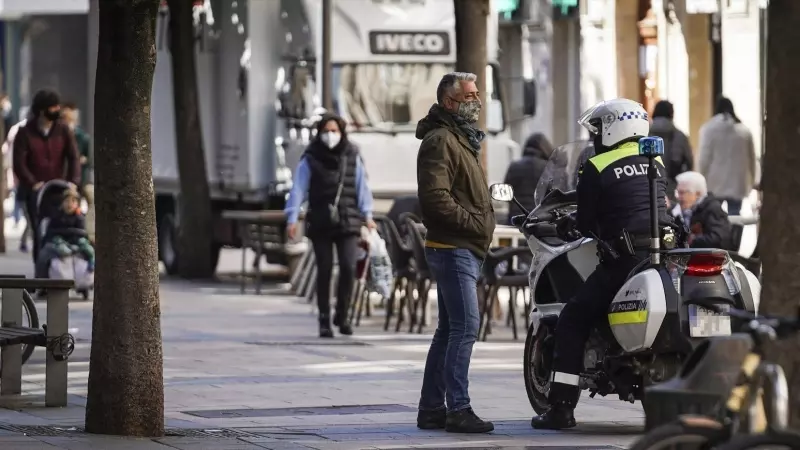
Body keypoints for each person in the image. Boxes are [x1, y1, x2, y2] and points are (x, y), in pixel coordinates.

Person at [530, 98, 669, 430]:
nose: (595, 137)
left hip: (626, 259)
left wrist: (569, 224)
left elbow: (588, 221)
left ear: (612, 127)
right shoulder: (656, 160)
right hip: (665, 254)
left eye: (597, 129)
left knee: (573, 317)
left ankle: (561, 409)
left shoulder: (598, 164)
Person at [415, 72, 496, 434]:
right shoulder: (441, 140)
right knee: (465, 327)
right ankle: (457, 408)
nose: (476, 102)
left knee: (448, 330)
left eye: (478, 94)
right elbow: (435, 199)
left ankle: (431, 408)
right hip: (453, 247)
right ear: (449, 102)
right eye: (469, 96)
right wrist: (474, 224)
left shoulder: (461, 138)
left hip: (462, 246)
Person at [284, 113, 375, 338]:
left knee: (348, 267)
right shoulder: (311, 157)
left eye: (334, 131)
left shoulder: (352, 155)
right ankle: (324, 319)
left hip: (348, 219)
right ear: (319, 133)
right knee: (324, 269)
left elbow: (362, 186)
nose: (330, 135)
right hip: (321, 221)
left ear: (342, 132)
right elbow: (298, 188)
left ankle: (342, 315)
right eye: (326, 131)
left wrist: (368, 215)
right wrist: (292, 217)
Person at [12, 89, 80, 263]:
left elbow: (73, 157)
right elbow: (19, 163)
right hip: (35, 192)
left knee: (59, 231)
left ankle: (58, 270)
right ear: (42, 111)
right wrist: (33, 183)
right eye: (53, 108)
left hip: (58, 190)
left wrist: (73, 182)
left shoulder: (63, 130)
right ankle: (40, 275)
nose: (57, 111)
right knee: (39, 232)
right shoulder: (25, 132)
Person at [697, 97, 756, 216]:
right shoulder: (744, 131)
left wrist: (700, 178)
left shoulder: (708, 129)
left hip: (714, 183)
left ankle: (719, 235)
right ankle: (734, 235)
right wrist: (753, 180)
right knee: (735, 215)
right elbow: (752, 159)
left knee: (715, 216)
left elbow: (704, 158)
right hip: (737, 183)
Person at [36, 188, 95, 278]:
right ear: (62, 203)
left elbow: (83, 233)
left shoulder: (80, 217)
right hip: (58, 242)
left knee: (89, 249)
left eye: (73, 201)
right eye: (67, 201)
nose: (69, 204)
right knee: (44, 254)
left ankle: (92, 265)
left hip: (77, 242)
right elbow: (50, 232)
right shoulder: (56, 216)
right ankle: (41, 281)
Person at [672, 171, 733, 250]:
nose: (678, 197)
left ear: (697, 194)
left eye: (682, 193)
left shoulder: (713, 209)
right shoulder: (681, 210)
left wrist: (691, 240)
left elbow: (719, 239)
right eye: (678, 192)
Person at [60, 102, 94, 241]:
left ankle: (88, 232)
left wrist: (83, 160)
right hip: (65, 178)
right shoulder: (60, 136)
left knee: (90, 200)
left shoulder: (82, 137)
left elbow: (89, 159)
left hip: (81, 177)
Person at [648, 100, 693, 203]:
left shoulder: (644, 135)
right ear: (671, 114)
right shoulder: (680, 136)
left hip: (648, 183)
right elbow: (689, 162)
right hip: (672, 185)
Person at [503, 132, 553, 222]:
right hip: (539, 220)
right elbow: (553, 194)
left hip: (516, 219)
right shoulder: (547, 168)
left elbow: (506, 191)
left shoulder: (514, 165)